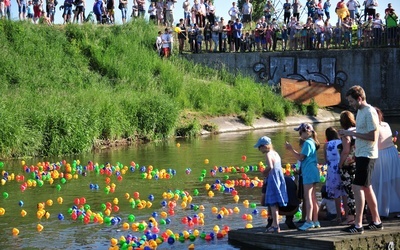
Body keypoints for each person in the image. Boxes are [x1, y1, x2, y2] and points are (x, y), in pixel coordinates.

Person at [339, 85, 383, 234]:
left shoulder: (370, 111)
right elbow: (364, 130)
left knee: (357, 187)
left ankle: (358, 225)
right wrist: (351, 131)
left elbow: (373, 137)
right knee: (367, 188)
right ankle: (376, 221)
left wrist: (352, 134)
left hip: (368, 154)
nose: (350, 104)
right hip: (361, 154)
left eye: (351, 101)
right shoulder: (360, 111)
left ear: (359, 98)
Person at [285, 123, 321, 231]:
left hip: (308, 172)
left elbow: (301, 158)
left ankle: (309, 221)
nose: (300, 134)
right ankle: (315, 220)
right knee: (313, 198)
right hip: (314, 170)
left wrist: (291, 149)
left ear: (307, 132)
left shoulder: (307, 143)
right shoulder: (313, 142)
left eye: (301, 132)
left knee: (308, 197)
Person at [371, 107, 400, 218]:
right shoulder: (386, 124)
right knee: (395, 182)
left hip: (382, 155)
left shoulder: (374, 127)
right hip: (392, 152)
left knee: (381, 183)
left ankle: (383, 211)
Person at [255, 136, 288, 233]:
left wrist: (264, 172)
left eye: (259, 147)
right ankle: (275, 224)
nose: (259, 149)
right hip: (279, 179)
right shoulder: (276, 153)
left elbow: (270, 166)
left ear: (265, 146)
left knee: (272, 203)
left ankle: (275, 225)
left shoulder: (268, 154)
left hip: (273, 179)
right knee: (276, 203)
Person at [338, 110, 357, 225]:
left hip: (348, 165)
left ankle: (350, 218)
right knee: (359, 191)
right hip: (357, 162)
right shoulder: (356, 131)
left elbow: (345, 151)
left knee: (350, 192)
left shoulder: (346, 133)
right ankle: (363, 216)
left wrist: (340, 164)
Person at [324, 127, 346, 222]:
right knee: (345, 193)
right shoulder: (341, 142)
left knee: (337, 194)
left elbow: (326, 160)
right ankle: (347, 215)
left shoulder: (326, 145)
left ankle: (338, 216)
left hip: (332, 170)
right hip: (342, 167)